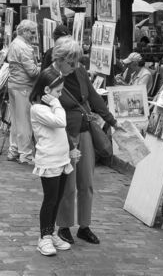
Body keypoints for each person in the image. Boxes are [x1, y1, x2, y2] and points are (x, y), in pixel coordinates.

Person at [50, 36, 122, 245]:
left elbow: (93, 97)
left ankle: (84, 225)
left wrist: (112, 121)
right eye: (71, 62)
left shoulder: (80, 71)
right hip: (64, 134)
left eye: (77, 61)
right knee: (68, 184)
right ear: (60, 58)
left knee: (86, 182)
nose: (75, 65)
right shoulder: (50, 77)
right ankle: (64, 225)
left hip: (84, 130)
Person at [30, 67, 79, 256]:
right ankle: (43, 237)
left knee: (58, 198)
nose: (60, 95)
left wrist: (71, 149)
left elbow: (62, 131)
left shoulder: (52, 107)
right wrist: (57, 103)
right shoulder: (37, 109)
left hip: (61, 159)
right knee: (50, 200)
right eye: (58, 91)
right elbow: (60, 122)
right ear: (46, 91)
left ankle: (50, 233)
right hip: (49, 160)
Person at [7, 19, 40, 164]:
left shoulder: (14, 43)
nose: (34, 36)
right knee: (25, 122)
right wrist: (43, 67)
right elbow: (32, 72)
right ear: (25, 31)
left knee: (15, 120)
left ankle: (13, 150)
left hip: (13, 85)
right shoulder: (25, 47)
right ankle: (25, 154)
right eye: (32, 32)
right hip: (24, 87)